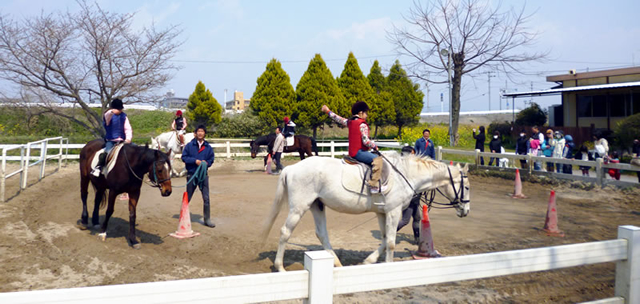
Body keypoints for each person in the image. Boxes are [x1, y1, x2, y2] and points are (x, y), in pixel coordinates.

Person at [322, 101, 383, 193]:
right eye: (366, 113)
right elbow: (366, 141)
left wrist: (328, 111)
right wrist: (375, 146)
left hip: (352, 152)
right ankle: (374, 185)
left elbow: (337, 118)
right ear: (360, 113)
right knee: (378, 160)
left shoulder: (350, 122)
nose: (366, 115)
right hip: (359, 152)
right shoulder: (362, 124)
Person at [181, 125, 215, 228]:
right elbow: (184, 157)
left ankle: (207, 219)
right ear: (195, 133)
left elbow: (211, 159)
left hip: (203, 176)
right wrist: (195, 161)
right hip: (192, 174)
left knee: (206, 197)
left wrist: (206, 163)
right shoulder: (189, 146)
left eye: (202, 131)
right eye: (198, 131)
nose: (200, 133)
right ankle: (183, 217)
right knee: (188, 197)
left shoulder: (208, 147)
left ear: (204, 133)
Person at [92, 98, 132, 177]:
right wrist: (112, 111)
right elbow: (107, 115)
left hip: (123, 141)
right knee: (107, 152)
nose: (120, 111)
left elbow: (128, 128)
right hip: (111, 140)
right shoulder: (108, 115)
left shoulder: (124, 116)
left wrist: (128, 138)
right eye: (119, 109)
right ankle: (99, 167)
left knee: (135, 149)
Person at [397, 145, 420, 243]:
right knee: (405, 220)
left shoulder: (411, 166)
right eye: (412, 154)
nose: (413, 156)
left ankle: (417, 238)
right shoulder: (404, 168)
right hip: (409, 198)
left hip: (415, 197)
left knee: (417, 217)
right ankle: (390, 232)